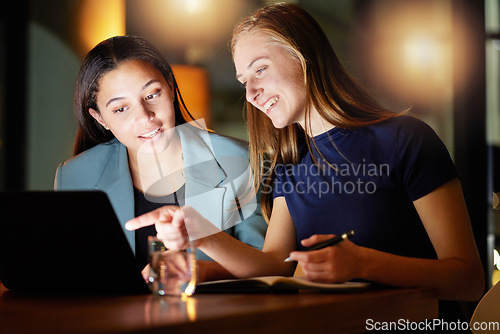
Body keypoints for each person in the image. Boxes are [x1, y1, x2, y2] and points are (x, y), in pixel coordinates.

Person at [126, 3, 484, 320]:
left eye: (260, 70)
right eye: (243, 81)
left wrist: (361, 263)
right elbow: (275, 265)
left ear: (303, 56)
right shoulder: (289, 165)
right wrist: (201, 245)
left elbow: (468, 280)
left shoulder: (406, 138)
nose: (250, 94)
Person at [54, 35, 267, 281]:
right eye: (121, 109)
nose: (145, 117)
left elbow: (266, 265)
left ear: (171, 87)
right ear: (100, 118)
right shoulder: (74, 175)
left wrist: (201, 271)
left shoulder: (242, 160)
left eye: (152, 94)